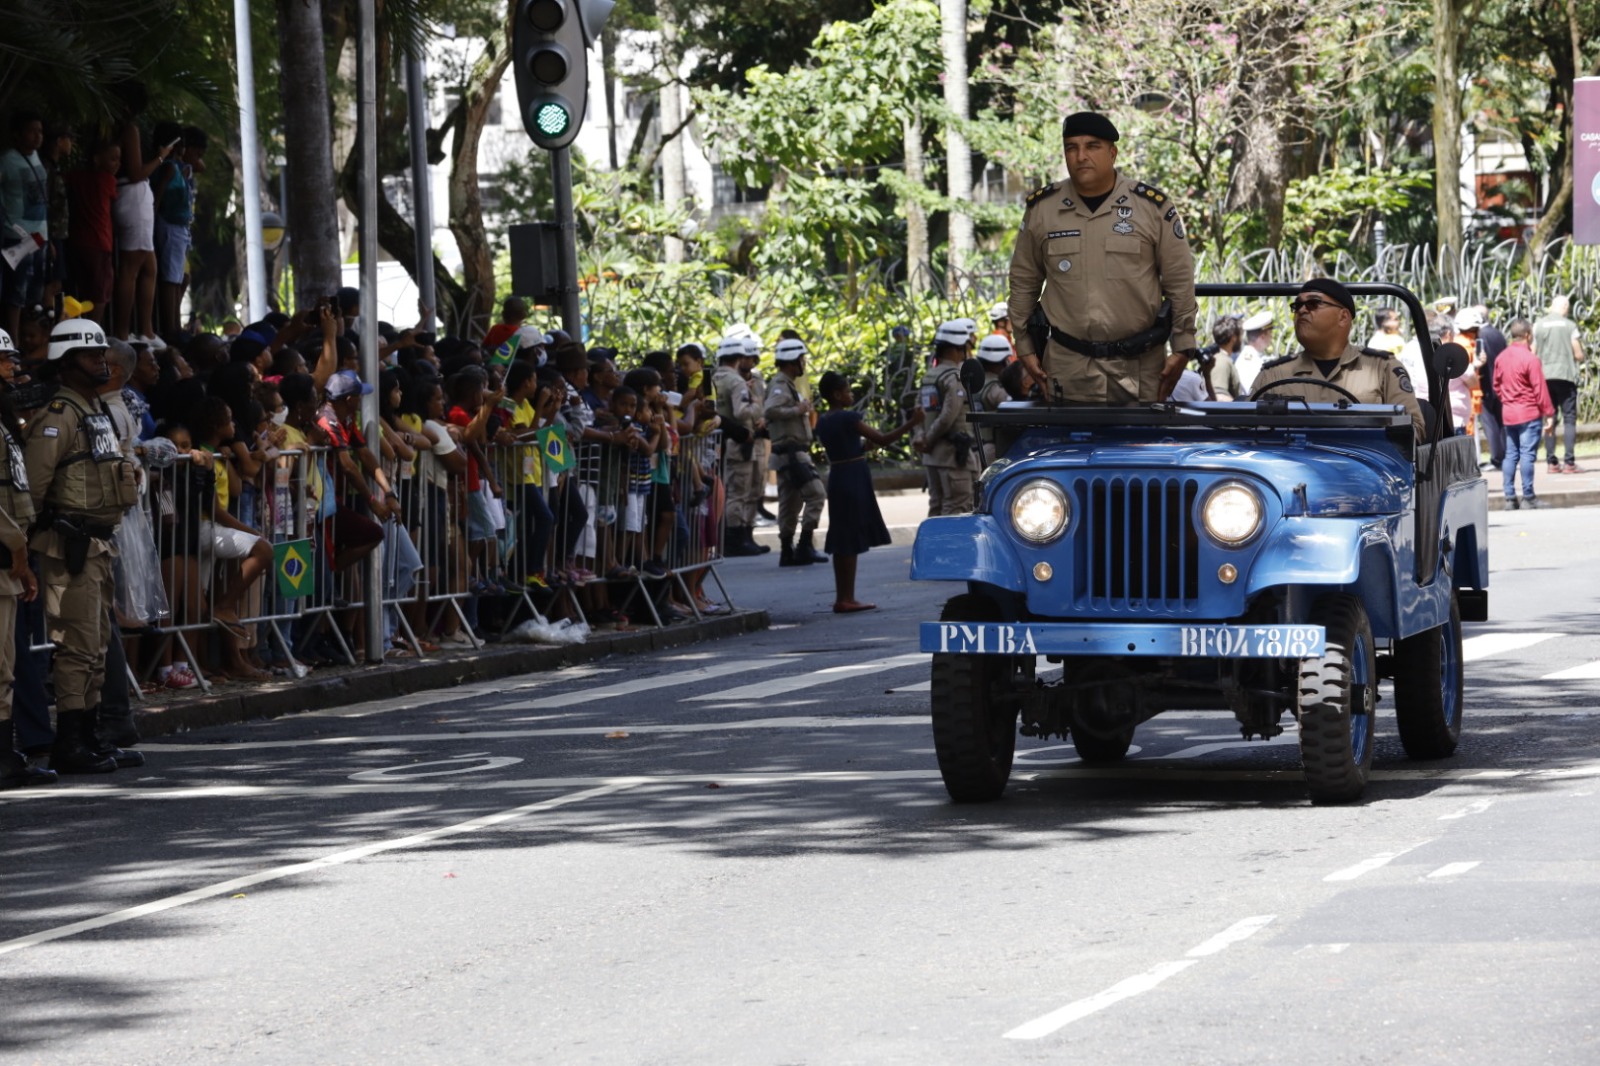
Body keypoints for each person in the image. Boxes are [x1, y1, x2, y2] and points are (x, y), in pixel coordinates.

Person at [1006, 111, 1199, 405]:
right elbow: (1023, 282)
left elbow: (1180, 283)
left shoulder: (1151, 208)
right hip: (1067, 368)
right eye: (1072, 147)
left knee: (1138, 450)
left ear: (1112, 152)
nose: (1081, 156)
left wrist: (1183, 347)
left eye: (1092, 146)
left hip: (1139, 369)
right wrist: (1025, 347)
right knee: (1071, 449)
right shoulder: (1043, 210)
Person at [25, 318, 143, 773]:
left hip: (97, 545)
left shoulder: (93, 412)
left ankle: (91, 737)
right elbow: (34, 490)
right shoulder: (60, 415)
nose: (101, 360)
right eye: (92, 355)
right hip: (68, 546)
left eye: (101, 354)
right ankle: (71, 742)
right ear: (68, 361)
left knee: (94, 647)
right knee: (76, 647)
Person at [1249, 278, 1426, 439]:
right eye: (1297, 306)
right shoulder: (1273, 375)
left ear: (1343, 317)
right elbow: (1243, 432)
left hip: (1362, 470)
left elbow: (1414, 430)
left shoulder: (1383, 369)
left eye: (1313, 304)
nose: (1302, 310)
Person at [815, 371, 920, 613]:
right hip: (853, 478)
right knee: (849, 536)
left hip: (839, 475)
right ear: (837, 395)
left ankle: (843, 596)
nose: (851, 394)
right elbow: (883, 439)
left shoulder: (823, 420)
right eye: (848, 391)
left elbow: (845, 447)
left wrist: (862, 447)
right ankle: (846, 598)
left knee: (842, 536)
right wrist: (912, 423)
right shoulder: (848, 418)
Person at [0, 335, 49, 788]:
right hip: (5, 556)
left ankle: (13, 749)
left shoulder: (6, 424)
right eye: (4, 362)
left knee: (11, 660)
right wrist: (18, 549)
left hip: (11, 558)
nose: (13, 371)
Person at [763, 337, 826, 566]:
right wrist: (797, 409)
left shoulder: (786, 383)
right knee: (816, 494)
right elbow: (771, 409)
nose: (804, 364)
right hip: (791, 453)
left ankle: (787, 549)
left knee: (790, 503)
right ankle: (804, 545)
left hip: (786, 454)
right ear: (792, 362)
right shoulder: (781, 384)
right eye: (802, 359)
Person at [712, 335, 766, 556]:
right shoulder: (736, 382)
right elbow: (742, 411)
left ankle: (741, 537)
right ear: (738, 357)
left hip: (724, 441)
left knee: (736, 490)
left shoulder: (715, 378)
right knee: (739, 492)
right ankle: (736, 539)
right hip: (740, 441)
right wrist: (757, 405)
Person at [1494, 318, 1554, 510]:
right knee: (1527, 454)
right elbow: (1540, 389)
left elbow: (1496, 385)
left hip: (1509, 413)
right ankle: (1528, 496)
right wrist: (1549, 413)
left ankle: (1509, 497)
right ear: (1528, 335)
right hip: (1528, 412)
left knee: (1511, 454)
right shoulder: (1530, 359)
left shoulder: (1501, 358)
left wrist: (1507, 400)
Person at [0, 111, 49, 340]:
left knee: (35, 288)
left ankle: (31, 338)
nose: (37, 136)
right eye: (32, 131)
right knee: (16, 288)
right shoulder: (7, 160)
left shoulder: (37, 156)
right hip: (17, 234)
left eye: (40, 131)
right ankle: (14, 338)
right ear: (17, 135)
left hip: (39, 235)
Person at [1531, 295, 1584, 474]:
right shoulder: (1570, 326)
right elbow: (1578, 354)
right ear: (1565, 307)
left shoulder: (1538, 325)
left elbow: (1533, 352)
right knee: (1569, 419)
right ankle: (1569, 462)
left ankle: (1551, 462)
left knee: (1549, 419)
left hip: (1545, 377)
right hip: (1566, 376)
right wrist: (1579, 356)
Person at [1469, 304, 1507, 470]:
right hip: (1500, 383)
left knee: (1489, 423)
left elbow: (1480, 362)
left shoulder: (1479, 336)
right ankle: (1507, 454)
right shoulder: (1498, 333)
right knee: (1500, 422)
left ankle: (1497, 458)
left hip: (1484, 384)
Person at [1206, 316, 1245, 400]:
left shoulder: (1221, 358)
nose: (1241, 340)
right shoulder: (1221, 361)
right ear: (1234, 338)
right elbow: (1219, 397)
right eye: (1240, 335)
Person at [1235, 311, 1274, 390]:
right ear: (1262, 336)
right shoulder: (1249, 362)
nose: (1272, 336)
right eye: (1270, 333)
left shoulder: (1255, 356)